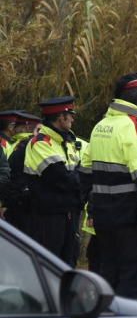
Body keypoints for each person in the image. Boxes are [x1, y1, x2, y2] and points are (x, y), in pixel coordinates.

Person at [81, 73, 137, 299]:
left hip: (104, 222)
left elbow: (86, 173)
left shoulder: (101, 126)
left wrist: (92, 210)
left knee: (109, 281)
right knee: (133, 286)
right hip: (133, 224)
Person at [23, 97, 84, 265]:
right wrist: (80, 180)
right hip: (48, 217)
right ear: (60, 117)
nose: (73, 118)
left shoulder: (67, 142)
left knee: (69, 263)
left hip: (69, 214)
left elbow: (78, 175)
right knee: (50, 265)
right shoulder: (41, 143)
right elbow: (61, 179)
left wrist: (79, 179)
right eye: (70, 114)